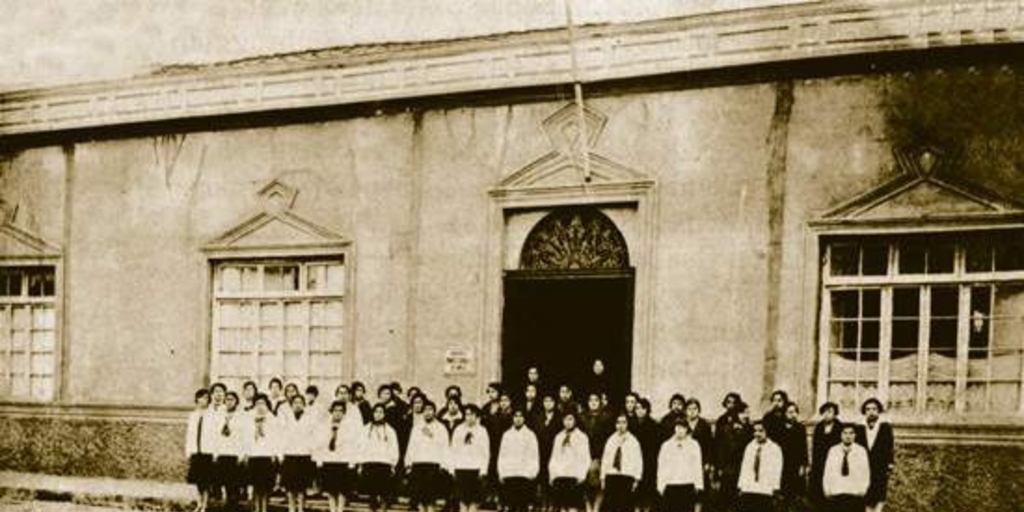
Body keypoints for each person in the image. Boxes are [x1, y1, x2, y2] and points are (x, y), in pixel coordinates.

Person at [315, 401, 361, 512]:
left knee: (342, 490)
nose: (337, 413)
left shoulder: (349, 426)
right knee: (331, 490)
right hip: (329, 460)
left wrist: (352, 461)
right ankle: (332, 509)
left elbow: (353, 444)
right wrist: (319, 460)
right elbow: (320, 443)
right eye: (335, 410)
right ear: (331, 412)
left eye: (340, 411)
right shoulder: (325, 426)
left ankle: (340, 510)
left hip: (343, 460)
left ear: (344, 413)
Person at [407, 400, 450, 512]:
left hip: (433, 465)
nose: (428, 412)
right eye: (425, 410)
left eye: (430, 410)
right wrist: (408, 463)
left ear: (435, 412)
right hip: (418, 464)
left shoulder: (441, 428)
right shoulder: (417, 427)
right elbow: (411, 445)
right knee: (420, 500)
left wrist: (444, 464)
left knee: (430, 500)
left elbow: (445, 447)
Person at [448, 404, 490, 512]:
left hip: (475, 470)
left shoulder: (482, 431)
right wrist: (452, 469)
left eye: (472, 414)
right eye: (467, 414)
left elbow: (485, 452)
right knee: (462, 502)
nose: (469, 417)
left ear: (476, 416)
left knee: (474, 503)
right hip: (461, 468)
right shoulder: (458, 430)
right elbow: (453, 450)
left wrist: (483, 469)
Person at [359, 403, 400, 512]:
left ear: (385, 414)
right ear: (372, 413)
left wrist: (393, 463)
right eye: (376, 412)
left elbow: (394, 448)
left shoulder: (390, 430)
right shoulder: (365, 429)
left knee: (384, 493)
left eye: (381, 412)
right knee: (372, 494)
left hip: (384, 464)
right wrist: (360, 464)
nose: (378, 414)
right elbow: (361, 447)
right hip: (369, 463)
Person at [656, 419, 704, 512]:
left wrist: (698, 485)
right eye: (678, 427)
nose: (680, 430)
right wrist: (660, 485)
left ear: (687, 429)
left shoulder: (694, 445)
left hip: (688, 484)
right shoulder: (666, 445)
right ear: (674, 429)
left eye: (683, 428)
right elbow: (661, 466)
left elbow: (697, 466)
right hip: (670, 485)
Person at [498, 409, 540, 512]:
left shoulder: (530, 435)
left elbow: (534, 456)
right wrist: (501, 472)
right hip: (510, 475)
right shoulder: (507, 435)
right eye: (515, 416)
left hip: (524, 476)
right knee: (510, 506)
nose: (518, 419)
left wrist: (532, 473)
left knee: (522, 506)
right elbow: (502, 455)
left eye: (520, 416)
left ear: (524, 418)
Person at [548, 411, 592, 512]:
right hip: (560, 475)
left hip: (574, 476)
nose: (568, 422)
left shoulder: (582, 437)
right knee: (561, 507)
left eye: (570, 419)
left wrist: (581, 475)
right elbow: (554, 457)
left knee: (573, 507)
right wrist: (552, 475)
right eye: (565, 419)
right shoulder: (558, 437)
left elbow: (586, 458)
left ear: (575, 420)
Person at [856, 398, 894, 512]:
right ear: (864, 412)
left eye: (874, 409)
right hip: (864, 467)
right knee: (866, 495)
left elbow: (889, 447)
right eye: (868, 409)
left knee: (879, 494)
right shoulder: (859, 428)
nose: (871, 412)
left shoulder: (885, 427)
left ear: (879, 411)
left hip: (880, 467)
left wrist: (890, 464)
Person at [280, 394, 316, 512]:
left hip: (304, 455)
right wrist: (282, 453)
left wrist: (310, 450)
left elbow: (313, 436)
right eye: (295, 402)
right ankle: (291, 508)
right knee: (290, 487)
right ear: (291, 405)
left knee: (301, 486)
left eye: (300, 402)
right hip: (290, 455)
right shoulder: (286, 418)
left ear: (304, 405)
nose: (297, 405)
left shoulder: (309, 418)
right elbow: (282, 436)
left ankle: (300, 508)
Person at [736, 421, 782, 512]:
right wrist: (741, 485)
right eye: (755, 431)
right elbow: (744, 467)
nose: (757, 434)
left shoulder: (774, 449)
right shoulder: (750, 447)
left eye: (761, 431)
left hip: (766, 488)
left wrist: (775, 487)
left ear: (767, 432)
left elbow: (777, 469)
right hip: (750, 487)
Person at [600, 413, 643, 512]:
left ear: (628, 424)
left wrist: (637, 479)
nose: (621, 425)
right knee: (609, 507)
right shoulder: (610, 440)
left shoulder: (633, 441)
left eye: (624, 422)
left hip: (626, 477)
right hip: (612, 476)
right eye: (618, 422)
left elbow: (638, 461)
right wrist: (603, 478)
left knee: (625, 507)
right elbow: (605, 459)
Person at [822, 424, 870, 512]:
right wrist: (827, 490)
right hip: (837, 494)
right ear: (841, 435)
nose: (848, 436)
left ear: (855, 435)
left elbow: (866, 473)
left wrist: (863, 489)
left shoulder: (861, 451)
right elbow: (827, 472)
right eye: (845, 433)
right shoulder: (833, 450)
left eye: (851, 433)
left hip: (854, 494)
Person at [714, 398, 751, 512]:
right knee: (726, 500)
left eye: (748, 413)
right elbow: (722, 450)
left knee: (742, 501)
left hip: (745, 469)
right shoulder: (728, 429)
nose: (746, 415)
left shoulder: (750, 429)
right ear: (737, 414)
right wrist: (720, 468)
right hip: (729, 470)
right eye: (743, 413)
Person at [246, 394, 281, 512]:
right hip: (254, 455)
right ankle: (257, 508)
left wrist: (275, 454)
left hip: (267, 456)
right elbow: (246, 438)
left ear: (267, 405)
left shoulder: (272, 419)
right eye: (257, 404)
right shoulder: (249, 418)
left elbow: (276, 438)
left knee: (266, 485)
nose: (260, 407)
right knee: (256, 485)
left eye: (263, 404)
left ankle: (265, 508)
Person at [213, 391, 247, 511]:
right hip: (223, 452)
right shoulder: (220, 416)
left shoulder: (241, 417)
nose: (229, 402)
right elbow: (216, 435)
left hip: (235, 453)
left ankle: (234, 504)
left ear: (236, 402)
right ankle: (227, 502)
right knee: (225, 480)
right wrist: (215, 453)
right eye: (227, 399)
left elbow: (243, 437)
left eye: (232, 399)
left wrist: (242, 454)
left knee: (235, 482)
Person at [579, 392, 612, 512]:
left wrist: (599, 457)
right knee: (584, 479)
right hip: (583, 455)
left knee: (598, 480)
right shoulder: (582, 418)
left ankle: (596, 506)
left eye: (596, 400)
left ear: (600, 403)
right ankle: (588, 505)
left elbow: (608, 440)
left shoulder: (607, 418)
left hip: (600, 456)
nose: (593, 403)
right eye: (591, 400)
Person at [809, 402, 842, 509]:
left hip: (835, 464)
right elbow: (815, 448)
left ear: (835, 413)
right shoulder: (819, 427)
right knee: (818, 494)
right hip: (820, 464)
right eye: (824, 412)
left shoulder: (840, 427)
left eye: (830, 412)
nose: (827, 414)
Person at [185, 388, 214, 512]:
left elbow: (214, 435)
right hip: (196, 450)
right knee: (197, 480)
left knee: (206, 480)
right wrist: (189, 450)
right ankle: (199, 502)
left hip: (207, 451)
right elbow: (190, 434)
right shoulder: (193, 415)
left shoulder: (212, 415)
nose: (204, 400)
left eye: (207, 398)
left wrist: (214, 451)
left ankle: (205, 504)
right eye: (202, 397)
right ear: (197, 399)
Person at [778, 402, 808, 512]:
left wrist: (803, 465)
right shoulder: (779, 428)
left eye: (795, 412)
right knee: (783, 493)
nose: (793, 414)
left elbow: (803, 448)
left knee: (795, 494)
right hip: (782, 463)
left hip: (795, 465)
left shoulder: (800, 428)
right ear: (785, 414)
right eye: (790, 412)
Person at [633, 399, 661, 512]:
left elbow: (655, 446)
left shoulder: (653, 425)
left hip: (649, 462)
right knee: (636, 492)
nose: (639, 411)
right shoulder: (632, 424)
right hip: (635, 461)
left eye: (642, 408)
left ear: (647, 410)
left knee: (648, 491)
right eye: (637, 408)